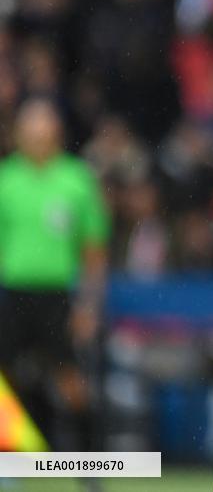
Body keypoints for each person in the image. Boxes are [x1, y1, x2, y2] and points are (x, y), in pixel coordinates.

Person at [0, 99, 110, 451]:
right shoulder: (6, 180)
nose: (37, 136)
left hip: (57, 297)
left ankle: (89, 465)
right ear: (18, 134)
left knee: (71, 382)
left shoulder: (76, 180)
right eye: (30, 128)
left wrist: (88, 306)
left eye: (44, 128)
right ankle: (12, 464)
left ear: (57, 133)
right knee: (6, 385)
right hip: (12, 295)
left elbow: (94, 250)